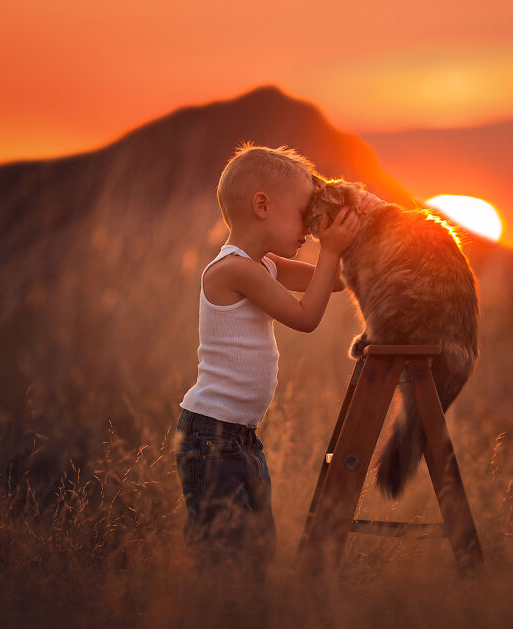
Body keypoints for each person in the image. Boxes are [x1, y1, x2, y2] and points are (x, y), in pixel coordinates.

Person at [173, 143, 383, 594]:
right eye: (305, 214)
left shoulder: (264, 264)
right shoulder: (233, 270)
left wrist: (358, 236)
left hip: (241, 438)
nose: (310, 228)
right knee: (224, 556)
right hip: (211, 438)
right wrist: (330, 250)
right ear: (262, 206)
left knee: (257, 550)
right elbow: (306, 317)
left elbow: (338, 281)